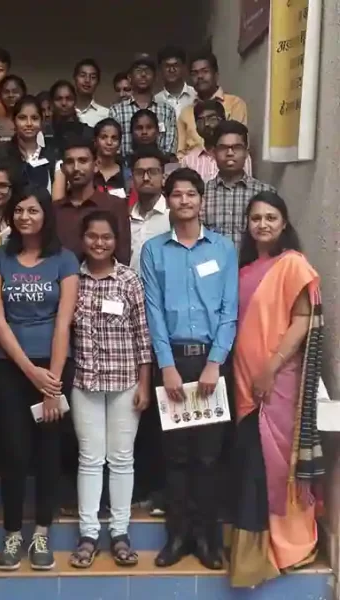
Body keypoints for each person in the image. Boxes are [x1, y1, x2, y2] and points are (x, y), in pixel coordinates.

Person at [140, 168, 238, 570]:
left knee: (209, 457)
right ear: (168, 201)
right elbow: (153, 311)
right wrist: (166, 365)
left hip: (212, 361)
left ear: (202, 199)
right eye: (177, 194)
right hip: (174, 362)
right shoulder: (153, 251)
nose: (184, 201)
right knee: (176, 456)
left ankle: (207, 539)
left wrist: (215, 362)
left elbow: (230, 310)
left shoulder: (223, 248)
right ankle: (177, 537)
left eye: (191, 194)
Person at [229, 191, 324, 588]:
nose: (263, 224)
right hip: (243, 382)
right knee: (252, 464)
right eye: (256, 218)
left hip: (278, 382)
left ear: (284, 223)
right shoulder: (245, 270)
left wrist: (270, 368)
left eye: (271, 217)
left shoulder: (293, 264)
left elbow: (302, 320)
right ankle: (255, 551)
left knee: (277, 464)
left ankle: (290, 546)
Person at [0, 185, 79, 571]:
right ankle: (12, 534)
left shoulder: (64, 259)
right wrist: (29, 371)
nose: (25, 217)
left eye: (33, 210)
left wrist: (52, 383)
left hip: (54, 367)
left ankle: (41, 532)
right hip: (12, 367)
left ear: (45, 215)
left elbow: (63, 321)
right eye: (19, 211)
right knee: (13, 452)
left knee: (48, 452)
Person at [68, 210, 152, 569]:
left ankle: (119, 533)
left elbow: (143, 335)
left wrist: (144, 383)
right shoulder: (72, 278)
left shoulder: (129, 279)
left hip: (125, 382)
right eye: (92, 236)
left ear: (116, 241)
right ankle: (88, 535)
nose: (99, 243)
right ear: (82, 239)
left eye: (106, 237)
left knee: (121, 459)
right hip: (84, 381)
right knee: (90, 459)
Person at [128, 147, 171, 516]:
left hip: (164, 323)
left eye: (152, 171)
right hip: (125, 324)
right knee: (133, 405)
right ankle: (135, 485)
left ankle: (159, 487)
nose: (146, 177)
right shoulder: (121, 217)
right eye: (140, 171)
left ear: (163, 176)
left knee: (161, 407)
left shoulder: (172, 218)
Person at [54, 138, 131, 264]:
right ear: (62, 168)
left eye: (83, 161)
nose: (76, 168)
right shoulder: (53, 210)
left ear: (96, 165)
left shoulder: (115, 205)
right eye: (70, 162)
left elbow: (122, 257)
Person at [203, 120, 275, 250]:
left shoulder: (264, 193)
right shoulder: (202, 194)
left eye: (236, 147)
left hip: (253, 263)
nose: (230, 153)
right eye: (223, 148)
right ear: (214, 152)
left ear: (246, 152)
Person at [177, 51, 248, 158]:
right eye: (194, 73)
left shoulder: (235, 104)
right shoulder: (186, 113)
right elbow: (180, 153)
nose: (200, 76)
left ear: (216, 75)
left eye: (205, 71)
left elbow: (239, 144)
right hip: (193, 166)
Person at [109, 53, 177, 158]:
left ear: (155, 77)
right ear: (130, 77)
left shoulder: (167, 110)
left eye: (148, 71)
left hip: (159, 165)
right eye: (138, 71)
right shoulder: (116, 111)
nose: (143, 74)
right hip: (125, 166)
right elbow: (114, 148)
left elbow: (169, 150)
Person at [0, 96, 59, 191]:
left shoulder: (52, 156)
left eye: (34, 118)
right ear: (13, 121)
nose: (29, 123)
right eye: (22, 118)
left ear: (41, 121)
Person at [181, 100, 252, 182]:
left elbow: (246, 186)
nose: (206, 124)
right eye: (201, 120)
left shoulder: (239, 155)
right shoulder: (188, 160)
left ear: (223, 121)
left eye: (212, 119)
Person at [45, 80, 93, 155]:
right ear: (51, 102)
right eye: (59, 99)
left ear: (75, 101)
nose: (64, 103)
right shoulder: (44, 133)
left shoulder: (88, 133)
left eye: (69, 98)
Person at [0, 74, 27, 151]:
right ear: (0, 96)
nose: (11, 95)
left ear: (23, 93)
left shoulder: (33, 122)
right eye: (6, 92)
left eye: (15, 92)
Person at [154, 46, 196, 119]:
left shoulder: (195, 95)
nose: (172, 70)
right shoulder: (155, 101)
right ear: (160, 69)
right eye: (167, 66)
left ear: (183, 67)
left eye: (176, 65)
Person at [92, 118, 128, 197]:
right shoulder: (87, 171)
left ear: (119, 143)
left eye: (114, 138)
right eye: (104, 137)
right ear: (95, 141)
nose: (109, 142)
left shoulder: (127, 175)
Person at [73, 58, 109, 127]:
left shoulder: (106, 114)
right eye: (83, 75)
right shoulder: (63, 112)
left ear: (98, 82)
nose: (87, 80)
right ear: (75, 78)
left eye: (93, 77)